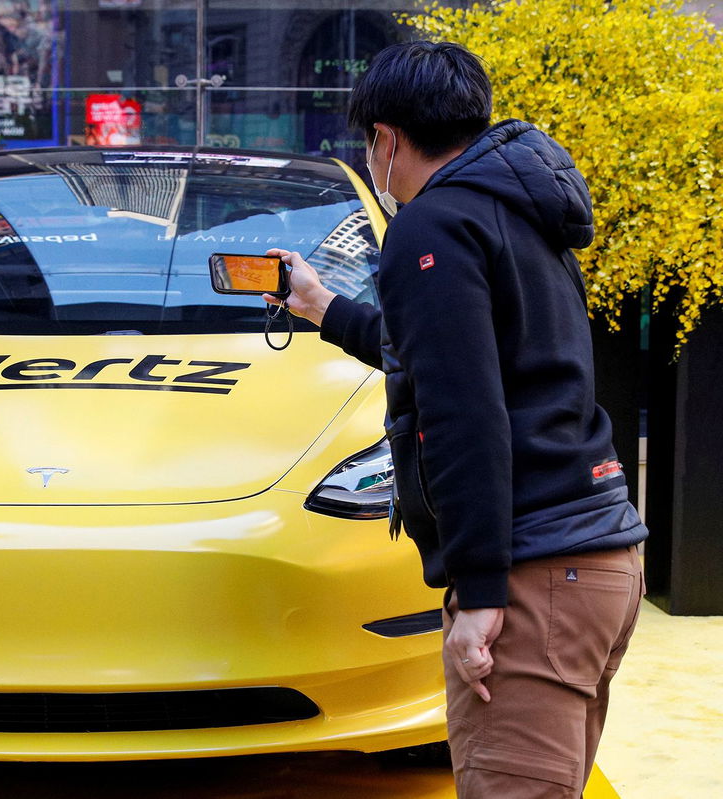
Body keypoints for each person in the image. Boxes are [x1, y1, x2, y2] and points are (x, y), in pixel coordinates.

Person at [265, 42, 648, 797]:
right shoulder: (519, 208)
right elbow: (456, 357)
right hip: (599, 555)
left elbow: (462, 412)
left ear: (387, 139)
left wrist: (478, 593)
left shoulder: (429, 226)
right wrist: (322, 308)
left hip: (535, 570)